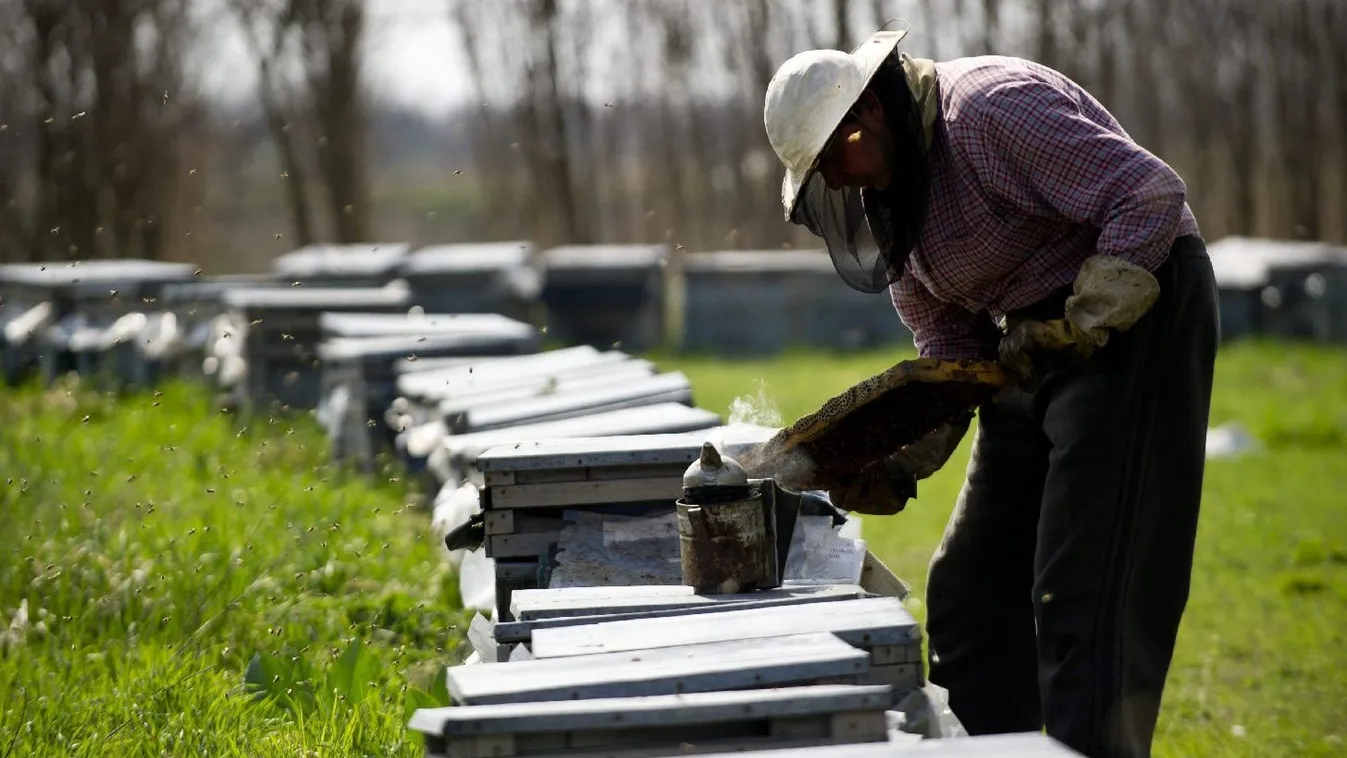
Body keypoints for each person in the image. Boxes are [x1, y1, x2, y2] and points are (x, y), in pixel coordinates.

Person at [762, 26, 1220, 758]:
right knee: (968, 595)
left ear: (869, 113)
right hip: (1027, 346)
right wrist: (892, 458)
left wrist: (1083, 319)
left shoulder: (988, 111)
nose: (838, 183)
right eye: (819, 174)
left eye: (833, 158)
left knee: (1084, 589)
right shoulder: (893, 203)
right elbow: (950, 351)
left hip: (1138, 311)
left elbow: (1147, 192)